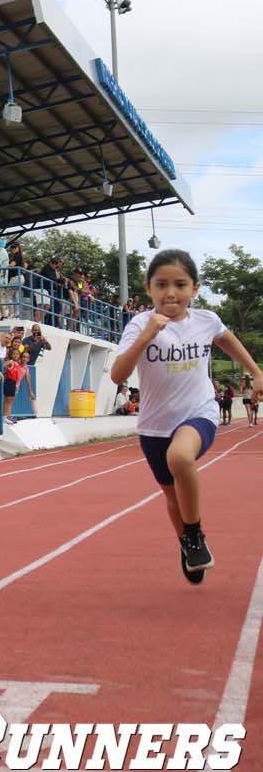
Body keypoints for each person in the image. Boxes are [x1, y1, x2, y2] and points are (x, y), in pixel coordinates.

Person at [110, 249, 263, 584]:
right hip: (154, 424)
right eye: (161, 284)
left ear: (195, 288)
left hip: (198, 412)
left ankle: (194, 536)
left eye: (180, 284)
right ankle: (187, 543)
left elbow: (228, 341)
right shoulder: (139, 325)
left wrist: (256, 371)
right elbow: (118, 375)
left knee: (180, 458)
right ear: (148, 288)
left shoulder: (205, 320)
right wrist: (147, 336)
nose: (170, 292)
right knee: (170, 494)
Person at [3, 348, 35, 424]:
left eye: (27, 357)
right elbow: (5, 366)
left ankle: (7, 416)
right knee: (7, 401)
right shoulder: (14, 362)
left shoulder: (26, 368)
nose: (25, 359)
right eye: (23, 357)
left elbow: (27, 380)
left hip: (16, 386)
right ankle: (5, 417)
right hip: (9, 383)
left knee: (10, 401)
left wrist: (30, 391)